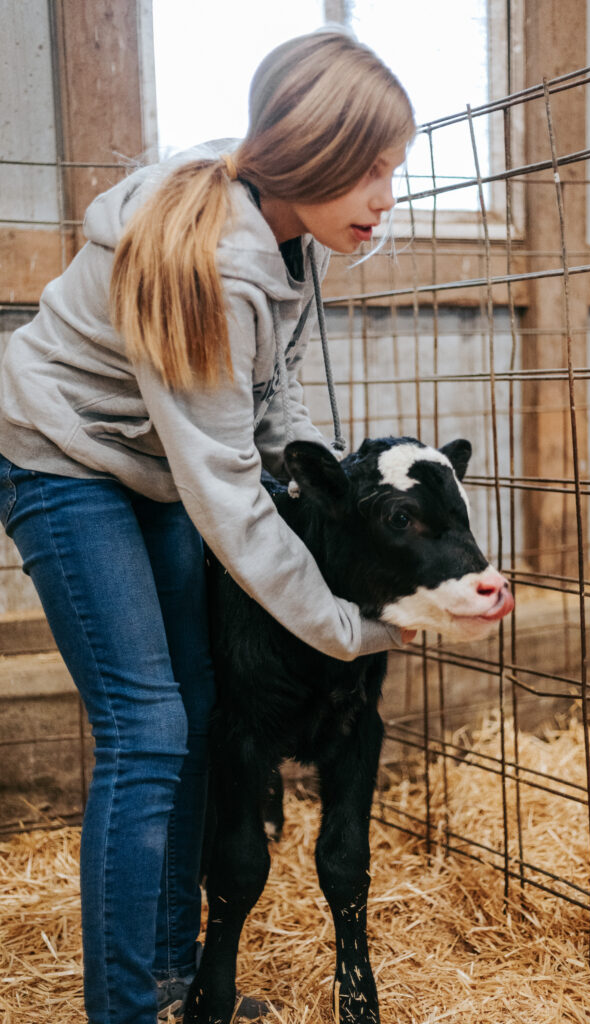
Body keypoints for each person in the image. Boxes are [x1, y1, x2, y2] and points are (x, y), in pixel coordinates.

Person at [0, 26, 416, 1024]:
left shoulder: (285, 238)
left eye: (393, 172)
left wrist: (322, 487)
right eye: (368, 171)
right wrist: (342, 627)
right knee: (148, 729)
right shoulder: (216, 263)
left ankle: (181, 979)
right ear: (308, 152)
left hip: (154, 460)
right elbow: (227, 489)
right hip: (62, 456)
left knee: (197, 710)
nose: (384, 198)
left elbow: (274, 402)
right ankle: (126, 1007)